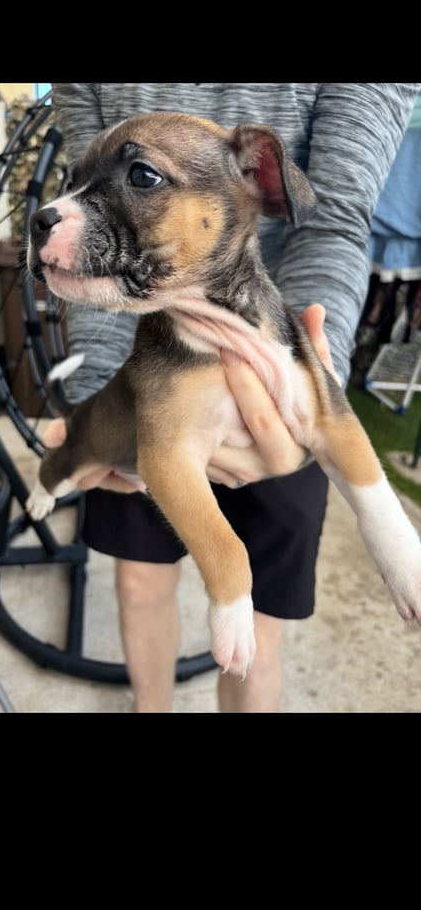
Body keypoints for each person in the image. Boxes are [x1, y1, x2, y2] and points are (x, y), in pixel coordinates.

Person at [45, 83, 420, 714]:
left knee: (257, 633)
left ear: (261, 178)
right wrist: (93, 404)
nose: (54, 210)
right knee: (139, 583)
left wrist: (309, 371)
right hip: (147, 353)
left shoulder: (261, 173)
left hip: (278, 318)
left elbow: (331, 219)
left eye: (142, 176)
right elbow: (93, 214)